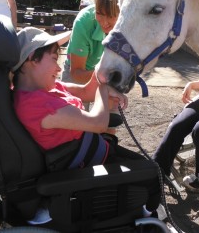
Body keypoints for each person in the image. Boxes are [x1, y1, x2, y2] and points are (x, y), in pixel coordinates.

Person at [11, 27, 160, 218]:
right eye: (55, 59)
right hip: (86, 165)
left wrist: (105, 66)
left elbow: (86, 92)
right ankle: (150, 221)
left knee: (148, 168)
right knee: (154, 175)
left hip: (94, 150)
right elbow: (98, 123)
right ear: (32, 58)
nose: (59, 68)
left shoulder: (46, 87)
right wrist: (104, 93)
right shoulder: (35, 105)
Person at [62, 0, 124, 84]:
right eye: (99, 13)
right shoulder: (83, 23)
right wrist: (108, 75)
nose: (104, 22)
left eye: (110, 15)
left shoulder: (130, 23)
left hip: (108, 72)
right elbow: (76, 73)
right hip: (80, 71)